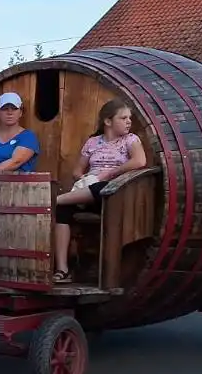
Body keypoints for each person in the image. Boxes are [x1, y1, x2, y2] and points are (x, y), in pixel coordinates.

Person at [52, 99, 147, 283]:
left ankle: (55, 199)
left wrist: (110, 173)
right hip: (89, 189)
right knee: (63, 211)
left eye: (129, 118)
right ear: (108, 121)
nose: (129, 121)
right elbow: (77, 170)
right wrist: (82, 178)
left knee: (101, 188)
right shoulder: (93, 142)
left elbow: (140, 161)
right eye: (123, 118)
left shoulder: (131, 139)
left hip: (116, 192)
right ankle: (62, 269)